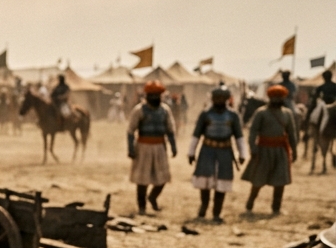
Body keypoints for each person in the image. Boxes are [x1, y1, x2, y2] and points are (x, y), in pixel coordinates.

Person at [188, 86, 246, 221]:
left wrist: (242, 153)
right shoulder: (205, 114)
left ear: (227, 99)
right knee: (205, 183)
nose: (219, 100)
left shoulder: (233, 116)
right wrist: (191, 152)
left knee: (222, 183)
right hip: (207, 151)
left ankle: (217, 213)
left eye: (222, 98)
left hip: (225, 153)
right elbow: (196, 134)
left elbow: (239, 136)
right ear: (212, 99)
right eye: (216, 98)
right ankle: (203, 208)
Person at [242, 84, 299, 214]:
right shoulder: (261, 112)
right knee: (258, 179)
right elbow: (253, 132)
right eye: (275, 97)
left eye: (280, 97)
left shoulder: (287, 113)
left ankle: (276, 208)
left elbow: (292, 133)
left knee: (280, 181)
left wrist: (294, 150)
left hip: (280, 151)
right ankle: (250, 204)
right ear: (270, 97)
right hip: (264, 150)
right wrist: (253, 149)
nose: (277, 100)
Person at [126, 81, 176, 215]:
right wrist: (131, 149)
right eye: (152, 95)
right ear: (147, 96)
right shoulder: (139, 110)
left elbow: (170, 130)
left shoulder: (165, 110)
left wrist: (173, 146)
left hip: (159, 146)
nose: (154, 98)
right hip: (143, 147)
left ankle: (153, 197)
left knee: (162, 178)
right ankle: (141, 207)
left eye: (157, 95)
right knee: (142, 180)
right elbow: (131, 131)